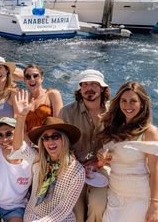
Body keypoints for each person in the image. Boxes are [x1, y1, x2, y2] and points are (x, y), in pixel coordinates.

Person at [12, 90, 85, 222]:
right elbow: (18, 147)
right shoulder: (38, 159)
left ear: (64, 139)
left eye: (55, 137)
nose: (50, 142)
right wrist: (21, 117)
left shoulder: (77, 171)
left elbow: (63, 209)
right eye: (45, 138)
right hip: (31, 217)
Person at [98, 82, 158, 222]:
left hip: (139, 197)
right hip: (115, 193)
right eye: (124, 101)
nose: (127, 105)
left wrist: (154, 206)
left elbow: (156, 171)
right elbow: (112, 158)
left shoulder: (149, 132)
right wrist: (103, 158)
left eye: (133, 101)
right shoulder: (112, 127)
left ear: (142, 103)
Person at [59, 69, 110, 222]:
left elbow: (119, 143)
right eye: (85, 84)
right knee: (76, 214)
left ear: (102, 88)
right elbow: (61, 145)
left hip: (102, 167)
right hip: (74, 167)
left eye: (94, 84)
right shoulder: (66, 112)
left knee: (97, 206)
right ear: (80, 90)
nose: (89, 88)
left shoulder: (114, 113)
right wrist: (75, 163)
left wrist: (99, 162)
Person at [0, 117, 32, 222]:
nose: (4, 140)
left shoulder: (31, 159)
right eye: (0, 135)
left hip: (16, 207)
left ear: (18, 134)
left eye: (9, 134)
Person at [23, 64, 63, 133]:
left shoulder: (52, 94)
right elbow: (23, 128)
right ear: (24, 81)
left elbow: (58, 123)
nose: (32, 79)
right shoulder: (23, 99)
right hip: (29, 141)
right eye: (28, 77)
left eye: (35, 76)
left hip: (49, 139)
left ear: (42, 79)